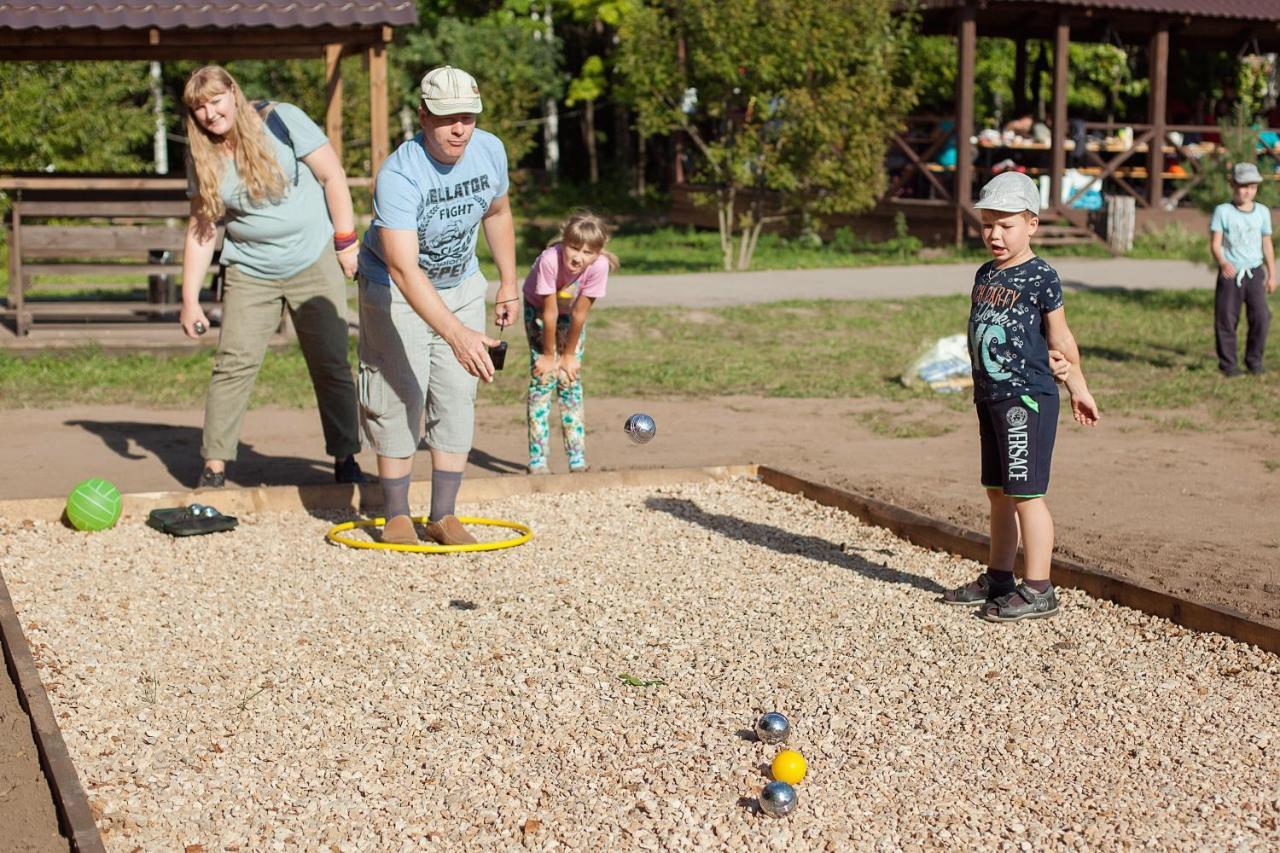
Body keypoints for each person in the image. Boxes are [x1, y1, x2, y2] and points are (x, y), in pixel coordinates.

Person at [179, 65, 365, 489]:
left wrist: (345, 241)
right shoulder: (201, 152)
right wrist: (189, 298)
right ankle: (215, 465)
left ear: (233, 92)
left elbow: (331, 176)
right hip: (249, 268)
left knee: (331, 362)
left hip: (312, 257)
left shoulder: (282, 120)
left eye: (215, 100)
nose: (210, 113)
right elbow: (202, 228)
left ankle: (345, 457)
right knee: (233, 364)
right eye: (199, 108)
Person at [356, 66, 518, 546]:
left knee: (455, 393)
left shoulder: (489, 150)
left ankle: (443, 515)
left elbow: (499, 211)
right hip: (393, 286)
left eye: (467, 117)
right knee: (399, 390)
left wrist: (507, 283)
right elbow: (405, 270)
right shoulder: (400, 174)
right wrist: (457, 334)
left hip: (461, 283)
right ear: (423, 116)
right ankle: (397, 514)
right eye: (448, 118)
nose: (459, 129)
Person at [942, 171, 1100, 622]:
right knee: (997, 492)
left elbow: (1061, 338)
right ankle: (999, 577)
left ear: (1031, 224)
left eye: (1006, 225)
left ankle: (1039, 588)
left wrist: (1079, 386)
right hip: (989, 398)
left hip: (1025, 402)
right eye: (987, 224)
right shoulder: (984, 273)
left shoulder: (1041, 276)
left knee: (1026, 493)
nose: (994, 234)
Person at [521, 212, 618, 474]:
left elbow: (579, 314)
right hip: (539, 310)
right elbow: (549, 313)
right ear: (564, 242)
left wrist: (569, 355)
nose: (578, 257)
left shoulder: (599, 266)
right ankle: (538, 460)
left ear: (598, 253)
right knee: (543, 379)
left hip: (570, 314)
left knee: (569, 379)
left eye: (587, 252)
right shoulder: (549, 261)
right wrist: (549, 356)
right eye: (573, 248)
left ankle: (577, 458)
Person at [1210, 162, 1276, 377]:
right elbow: (1215, 243)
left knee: (1261, 317)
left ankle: (1254, 360)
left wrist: (1272, 274)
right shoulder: (1223, 211)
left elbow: (1267, 244)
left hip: (1255, 272)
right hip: (1231, 273)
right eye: (1242, 186)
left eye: (1252, 186)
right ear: (1232, 185)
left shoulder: (1263, 212)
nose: (1247, 191)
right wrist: (1222, 262)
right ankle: (1228, 364)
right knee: (1227, 319)